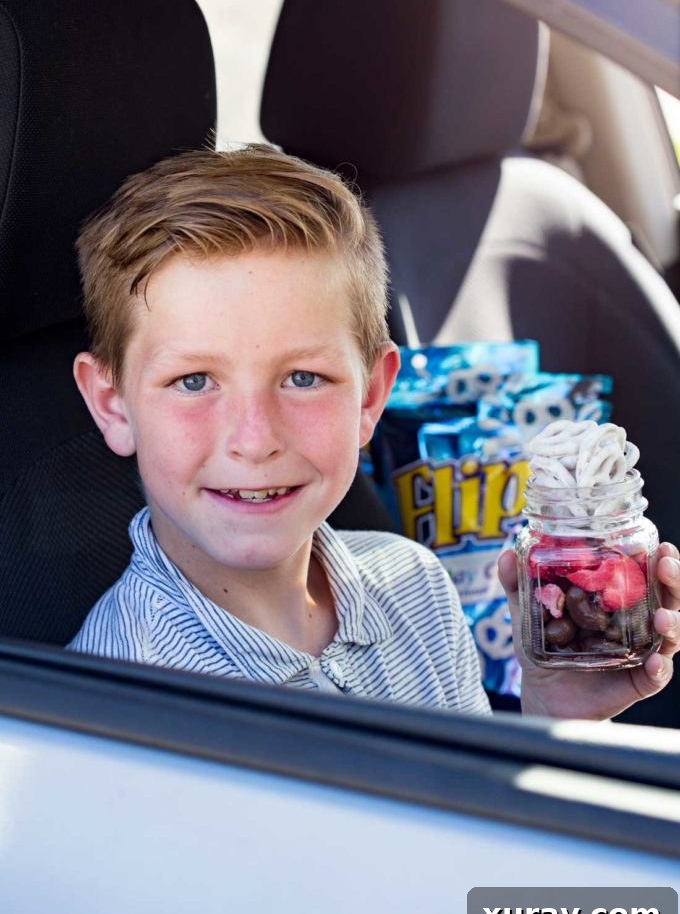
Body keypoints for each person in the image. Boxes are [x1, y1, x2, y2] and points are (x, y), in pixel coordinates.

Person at [68, 144, 680, 720]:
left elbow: (469, 818)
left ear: (369, 396)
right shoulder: (124, 705)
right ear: (112, 405)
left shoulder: (414, 584)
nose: (254, 440)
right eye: (195, 381)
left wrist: (555, 713)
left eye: (303, 377)